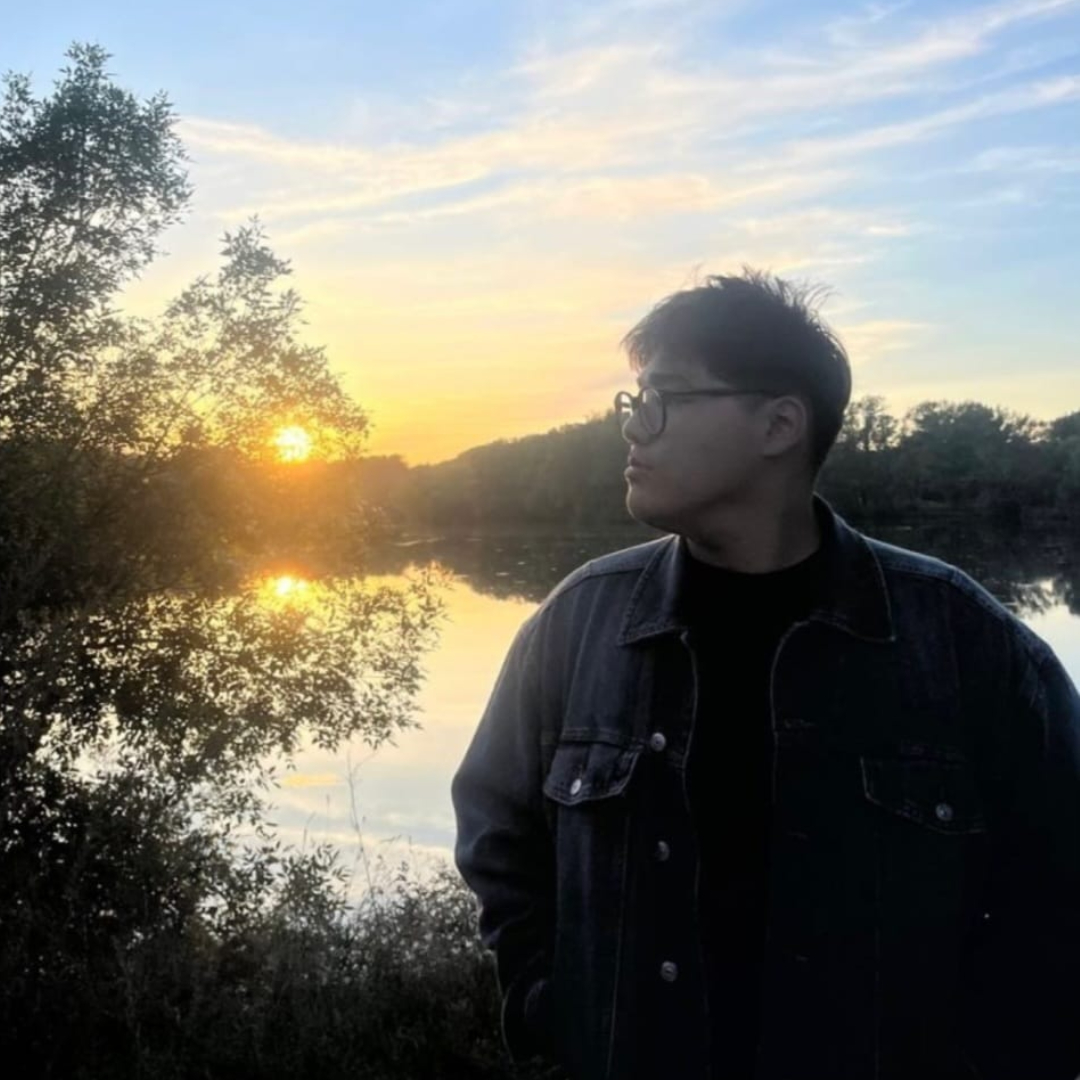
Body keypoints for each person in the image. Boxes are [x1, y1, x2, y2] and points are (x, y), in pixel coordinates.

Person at [451, 269, 1080, 1080]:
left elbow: (1057, 887)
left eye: (666, 397)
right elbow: (497, 831)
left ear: (779, 424)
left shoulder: (964, 641)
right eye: (635, 399)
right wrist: (551, 1005)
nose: (634, 425)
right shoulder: (578, 624)